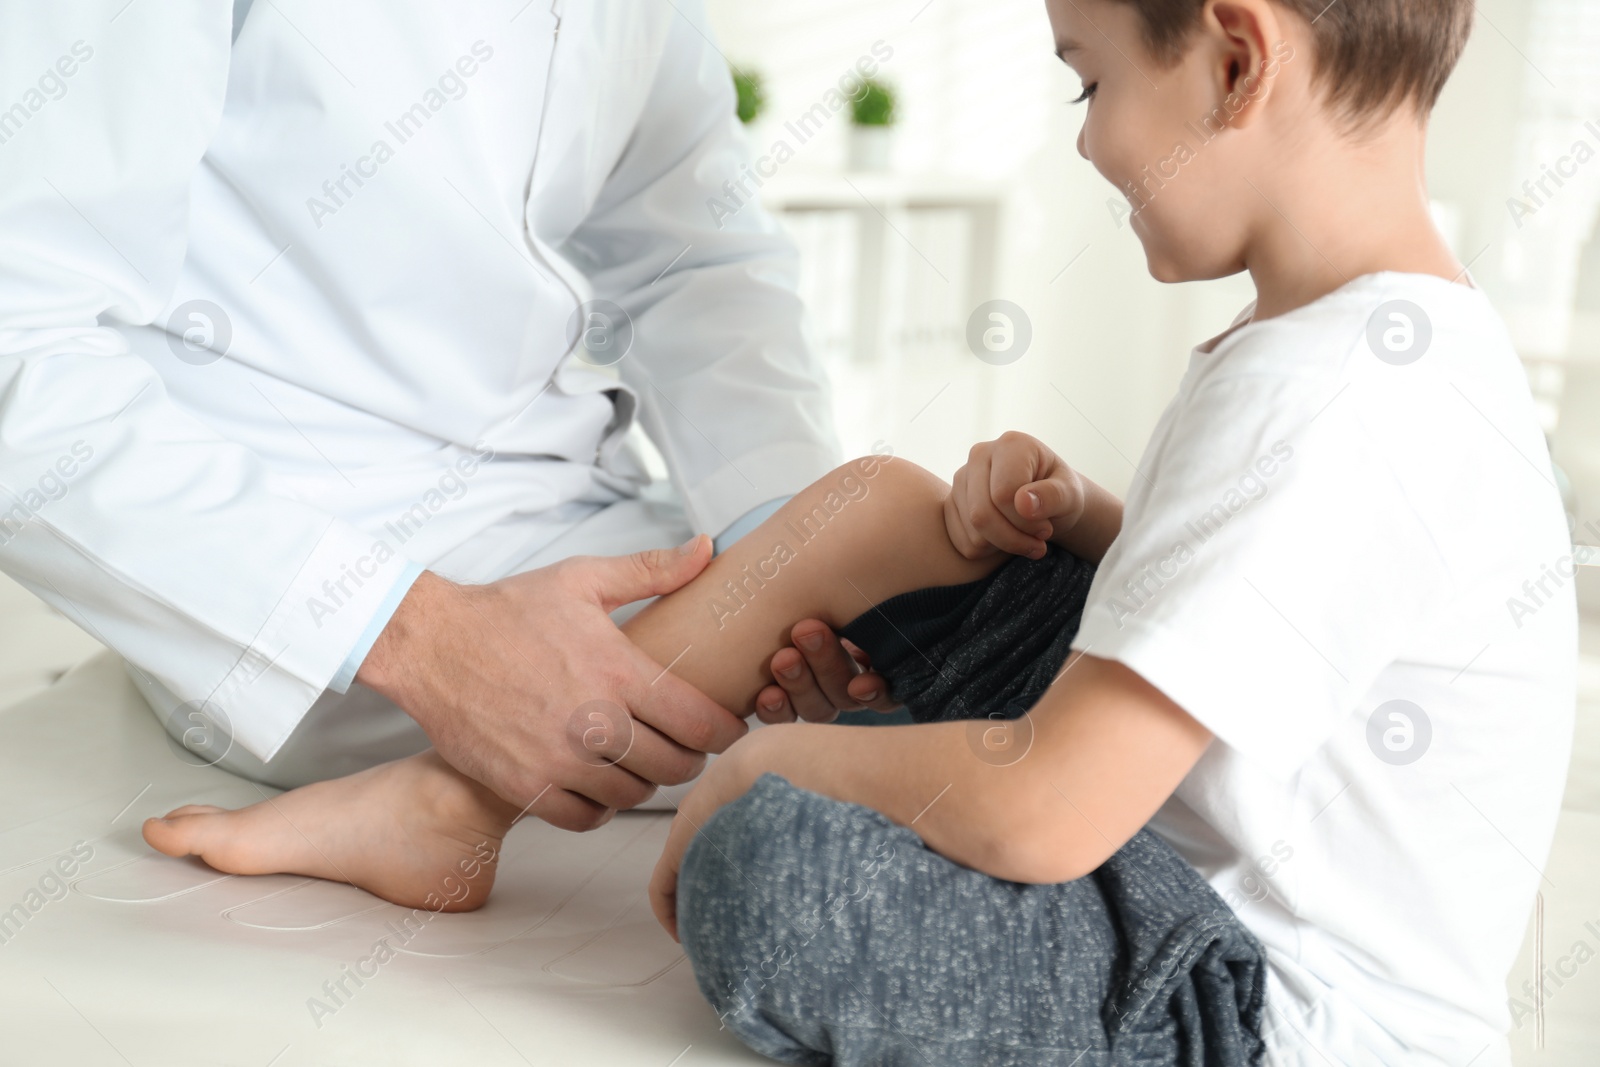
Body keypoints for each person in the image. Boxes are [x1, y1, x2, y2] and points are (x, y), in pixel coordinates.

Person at [140, 0, 1576, 1063]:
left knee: (768, 865)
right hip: (1170, 845)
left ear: (1237, 55)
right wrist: (1090, 527)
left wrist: (779, 759)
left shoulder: (1335, 397)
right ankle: (457, 805)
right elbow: (1286, 629)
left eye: (1090, 84)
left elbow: (1043, 806)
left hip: (1259, 1003)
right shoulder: (1363, 343)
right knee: (887, 506)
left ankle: (614, 799)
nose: (1087, 140)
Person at [0, 0, 885, 831]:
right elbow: (17, 333)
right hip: (313, 568)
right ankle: (429, 796)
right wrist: (425, 642)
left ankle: (434, 806)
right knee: (981, 687)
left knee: (941, 617)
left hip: (573, 519)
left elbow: (693, 258)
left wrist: (787, 542)